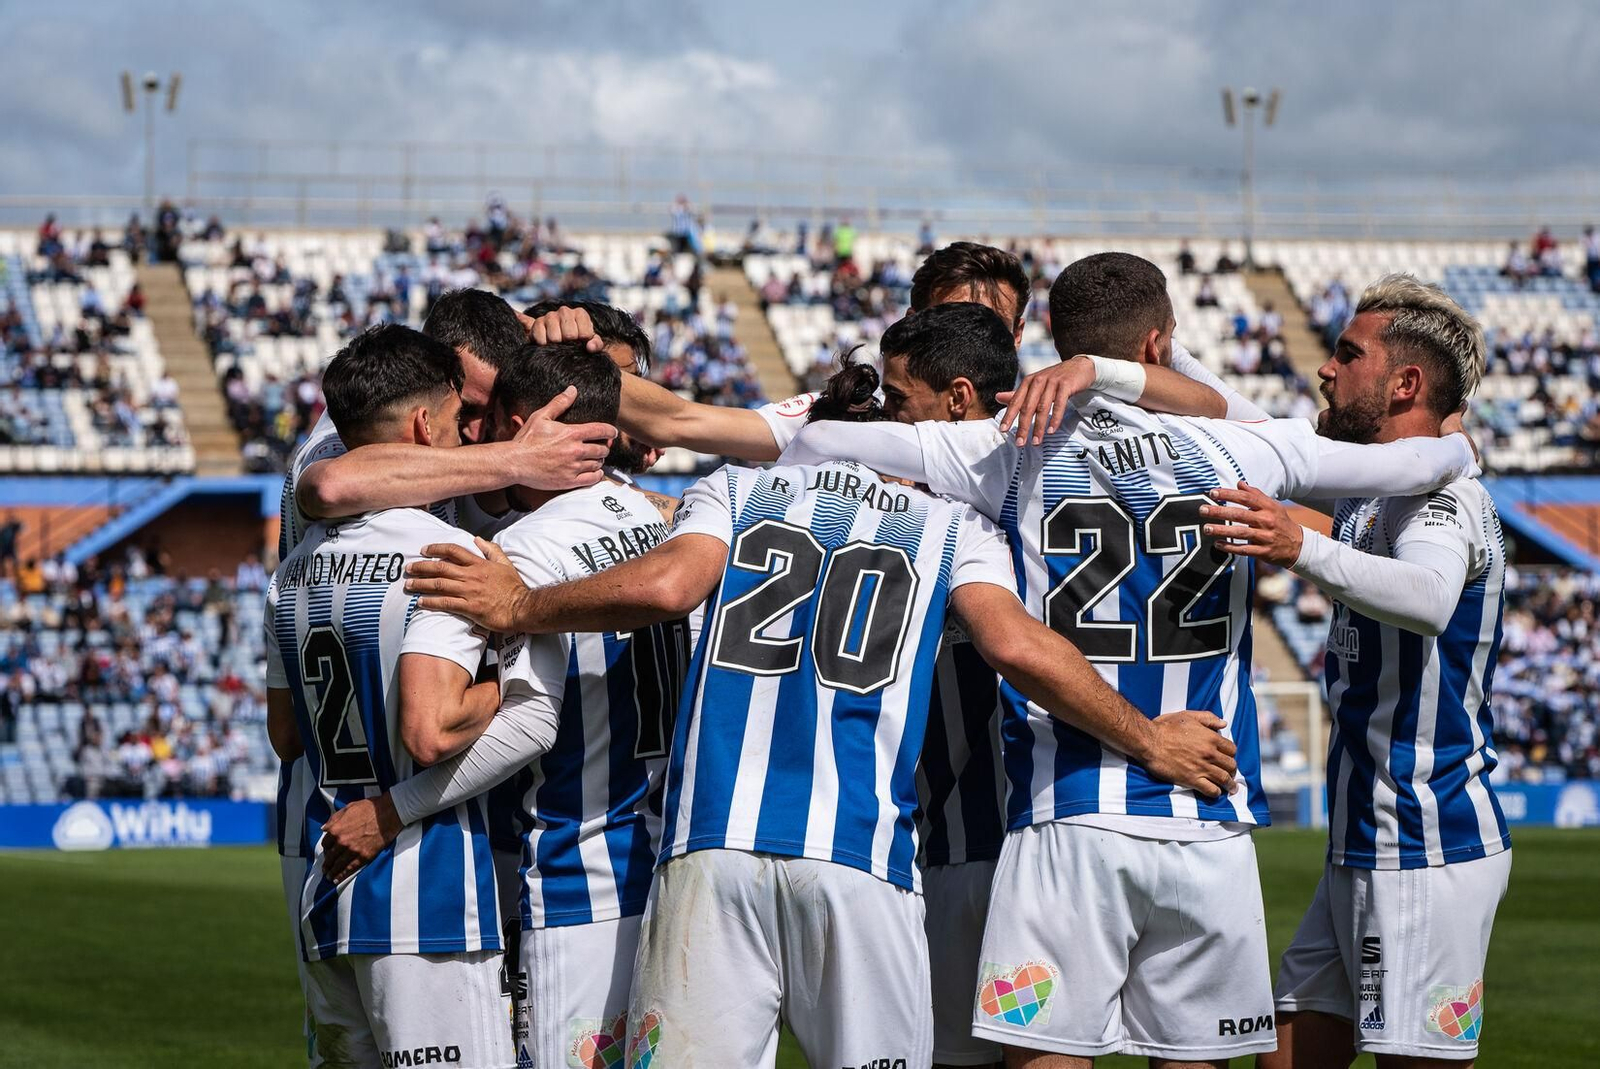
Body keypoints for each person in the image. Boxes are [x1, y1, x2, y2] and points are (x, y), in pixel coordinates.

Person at [403, 357, 1238, 1069]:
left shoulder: (734, 489)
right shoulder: (949, 525)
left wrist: (521, 606)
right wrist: (1149, 736)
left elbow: (666, 589)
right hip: (860, 861)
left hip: (710, 852)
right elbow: (1018, 648)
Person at [778, 252, 1486, 1067]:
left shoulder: (1001, 449)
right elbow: (1419, 460)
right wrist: (1461, 455)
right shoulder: (1245, 450)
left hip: (1065, 813)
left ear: (1051, 339)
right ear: (1158, 344)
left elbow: (825, 440)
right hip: (1205, 814)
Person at [316, 342, 689, 1069]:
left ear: (526, 425)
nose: (477, 437)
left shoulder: (515, 550)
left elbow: (527, 721)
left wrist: (393, 809)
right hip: (671, 858)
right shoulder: (667, 525)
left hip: (579, 878)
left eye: (488, 422)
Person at [1203, 276, 1512, 1069]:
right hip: (1366, 839)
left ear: (1405, 382)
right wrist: (1116, 372)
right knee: (1288, 1051)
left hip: (1423, 841)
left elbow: (1430, 596)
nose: (1325, 369)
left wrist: (1297, 547)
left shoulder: (1444, 498)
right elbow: (1228, 408)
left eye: (1347, 353)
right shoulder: (1372, 494)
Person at [265, 325, 512, 1068]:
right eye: (457, 419)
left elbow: (286, 736)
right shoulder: (446, 554)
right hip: (424, 884)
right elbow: (430, 730)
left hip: (324, 876)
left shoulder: (291, 569)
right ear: (421, 426)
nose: (467, 436)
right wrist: (507, 688)